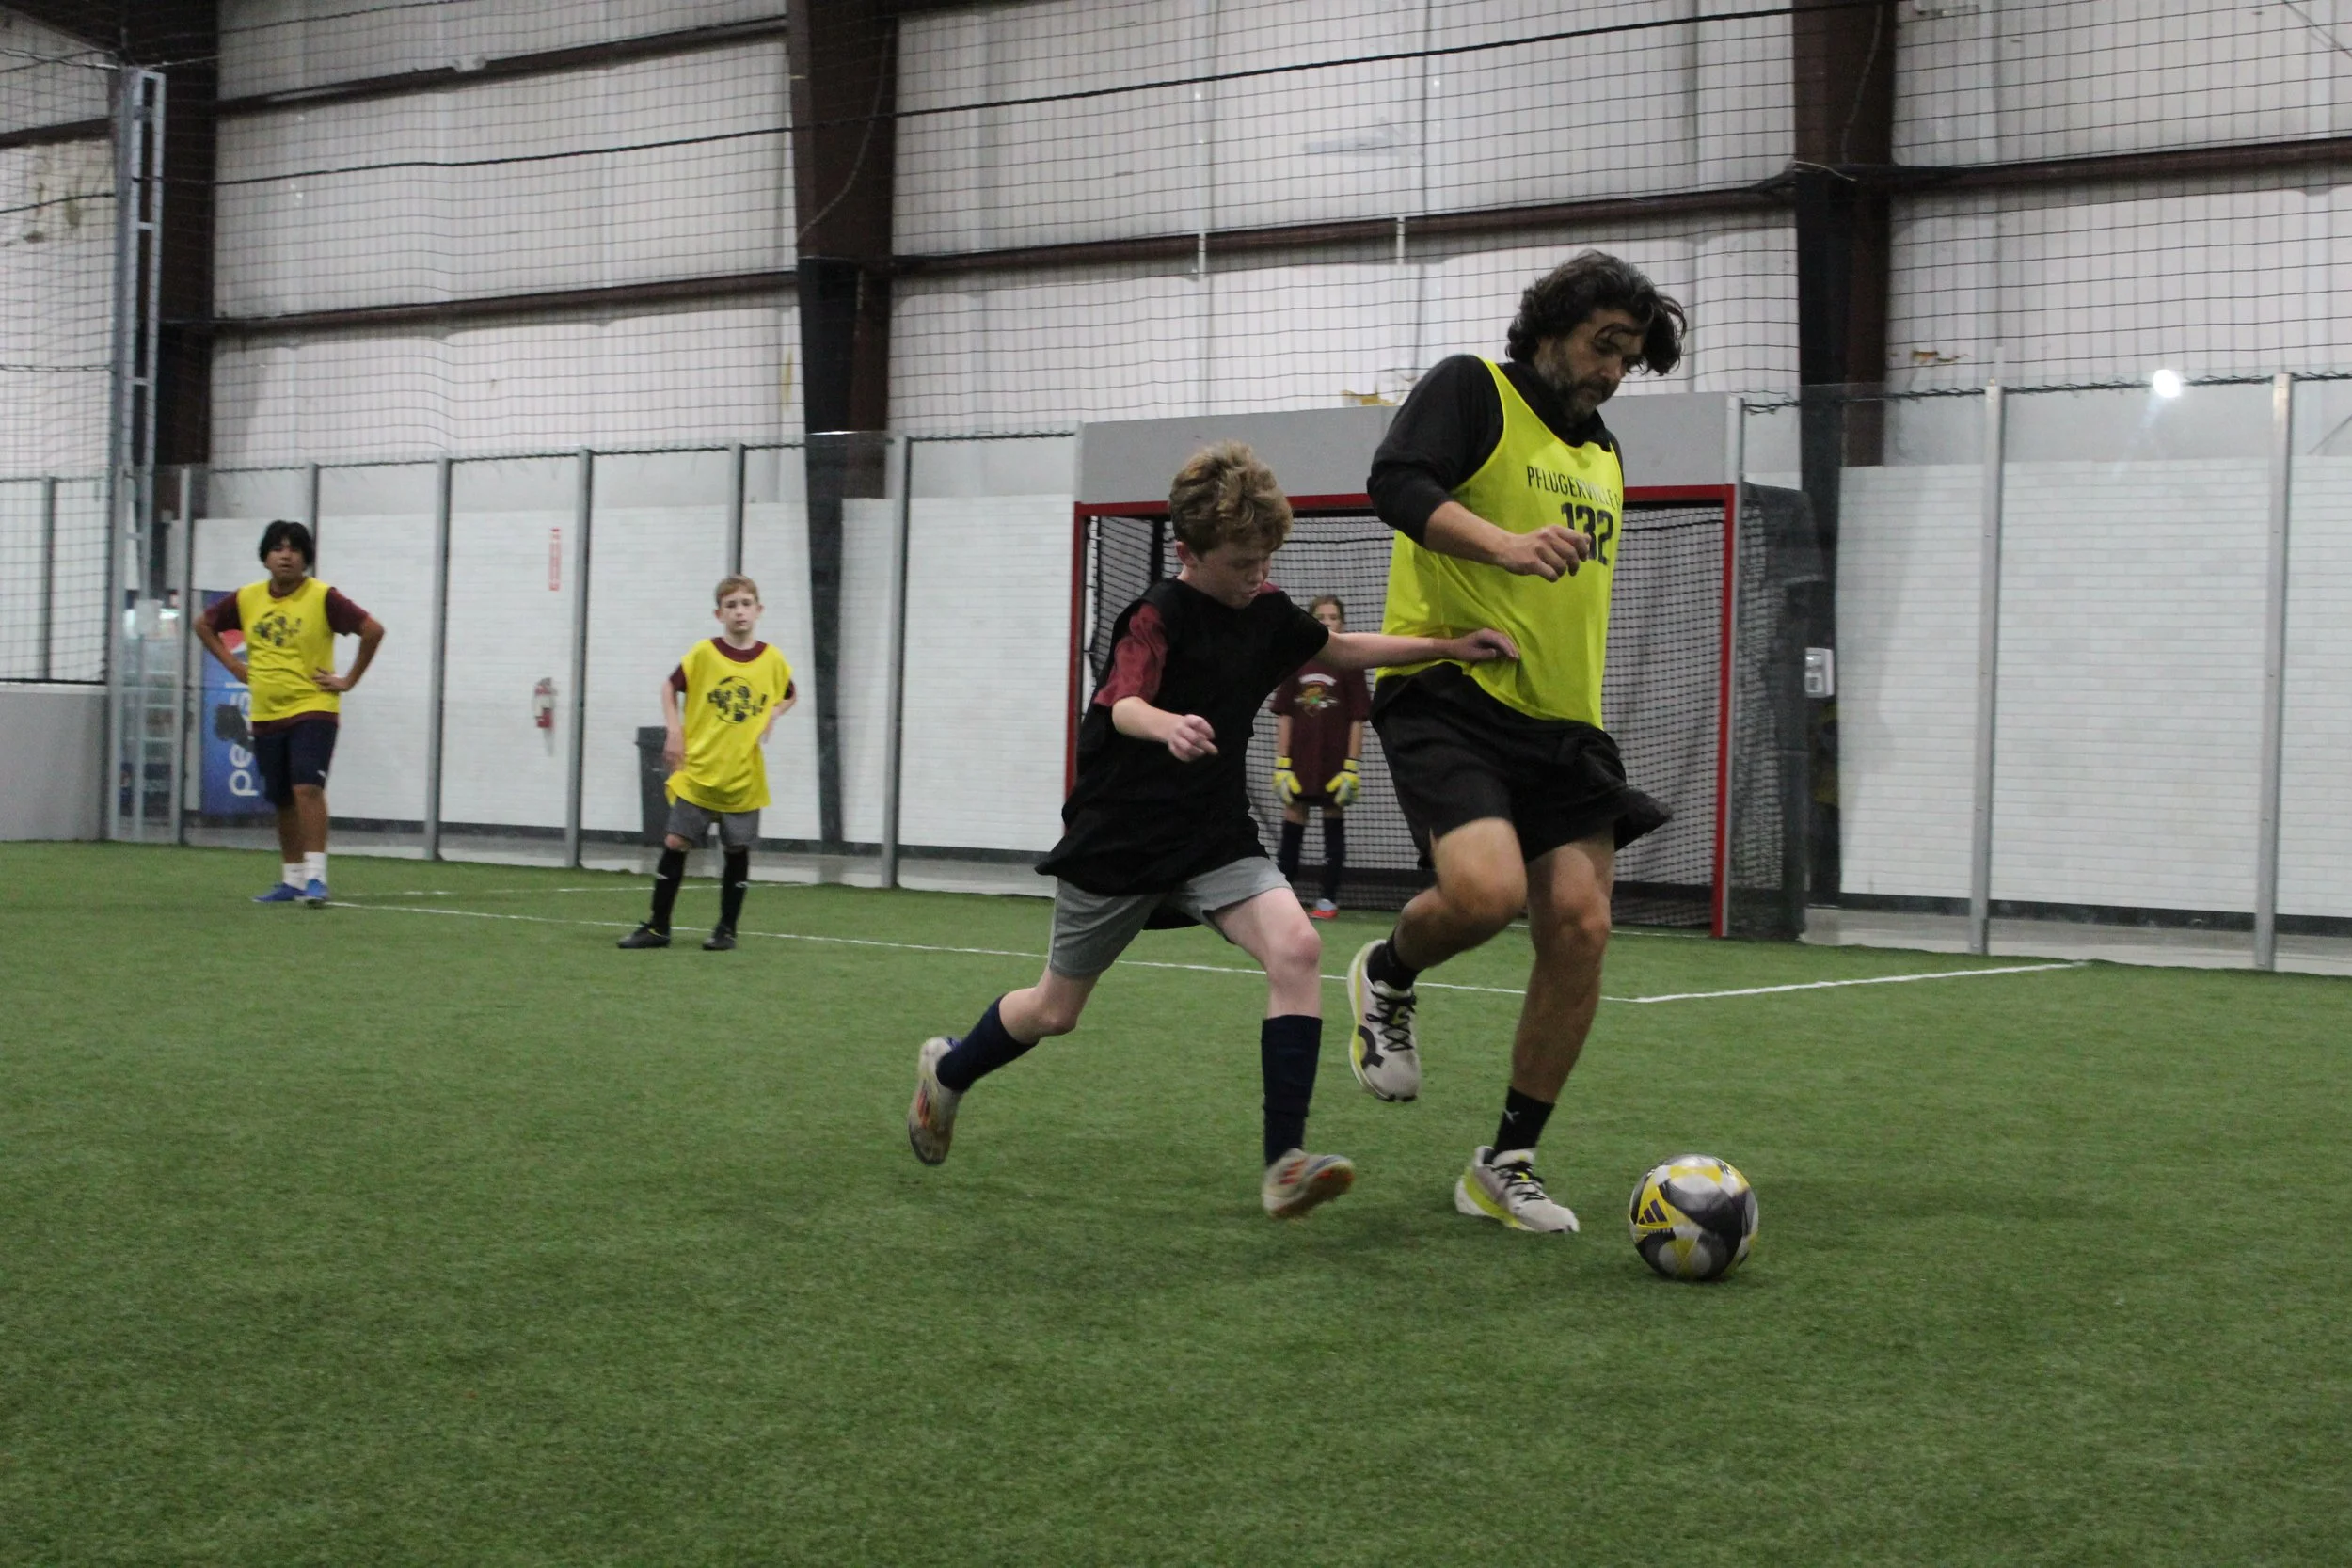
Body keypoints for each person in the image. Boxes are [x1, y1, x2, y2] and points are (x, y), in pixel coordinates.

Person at [905, 442, 1516, 1218]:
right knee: (1055, 1011)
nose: (1258, 574)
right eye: (1241, 562)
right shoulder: (1154, 615)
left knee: (1298, 948)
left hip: (1212, 833)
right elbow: (1123, 703)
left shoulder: (1265, 607)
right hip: (1119, 840)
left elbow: (1339, 649)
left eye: (1265, 558)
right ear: (1189, 553)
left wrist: (1447, 647)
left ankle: (1285, 1164)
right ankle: (948, 1072)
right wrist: (1167, 725)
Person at [1344, 250, 1684, 1235]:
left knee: (1580, 926)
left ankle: (1505, 1163)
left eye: (1628, 355)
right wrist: (1501, 545)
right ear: (1548, 329)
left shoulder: (1605, 455)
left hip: (1564, 724)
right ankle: (1389, 972)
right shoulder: (1473, 389)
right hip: (1451, 688)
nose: (1613, 369)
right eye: (1602, 344)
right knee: (1486, 894)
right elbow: (1393, 482)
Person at [192, 520, 384, 907]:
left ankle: (316, 878)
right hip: (266, 712)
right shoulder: (247, 598)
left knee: (306, 787)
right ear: (265, 557)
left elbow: (372, 630)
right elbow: (203, 625)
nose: (286, 556)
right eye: (278, 548)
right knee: (281, 797)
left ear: (305, 558)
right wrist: (233, 665)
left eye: (295, 549)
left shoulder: (323, 597)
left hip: (313, 707)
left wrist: (348, 680)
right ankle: (292, 879)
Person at [618, 576, 796, 952]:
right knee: (675, 840)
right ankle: (658, 927)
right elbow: (669, 686)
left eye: (746, 604)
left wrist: (775, 712)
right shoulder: (704, 653)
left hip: (742, 775)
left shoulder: (773, 660)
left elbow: (790, 693)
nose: (739, 611)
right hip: (699, 769)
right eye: (731, 605)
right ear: (719, 614)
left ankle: (726, 930)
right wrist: (674, 730)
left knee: (736, 849)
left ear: (759, 610)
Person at [1269, 594, 1371, 918]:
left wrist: (1351, 768)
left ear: (1343, 622)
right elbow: (1285, 714)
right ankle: (1283, 900)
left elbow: (1358, 718)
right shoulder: (1295, 660)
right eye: (1321, 617)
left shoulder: (1350, 663)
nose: (1327, 622)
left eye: (1333, 617)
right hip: (1299, 764)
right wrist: (1282, 763)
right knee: (1293, 823)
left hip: (1334, 766)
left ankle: (1327, 899)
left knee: (1333, 825)